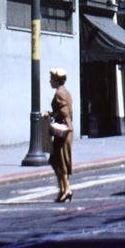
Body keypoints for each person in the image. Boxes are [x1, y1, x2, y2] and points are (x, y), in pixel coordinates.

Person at [48, 68, 74, 202]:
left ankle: (66, 189)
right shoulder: (65, 92)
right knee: (58, 160)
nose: (49, 81)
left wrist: (52, 115)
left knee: (60, 160)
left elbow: (64, 113)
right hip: (67, 131)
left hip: (62, 132)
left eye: (51, 79)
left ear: (57, 80)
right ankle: (64, 189)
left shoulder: (59, 93)